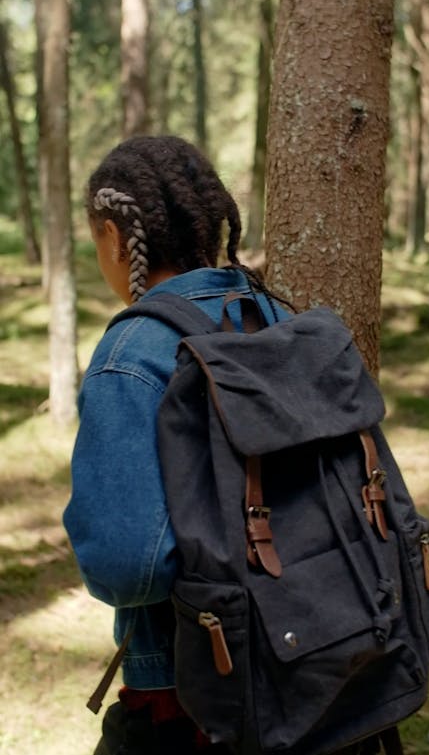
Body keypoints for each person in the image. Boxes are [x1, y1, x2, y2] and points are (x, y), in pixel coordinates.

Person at [63, 135, 286, 755]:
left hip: (188, 689)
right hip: (302, 647)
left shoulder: (131, 354)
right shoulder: (269, 311)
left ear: (113, 237)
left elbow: (125, 565)